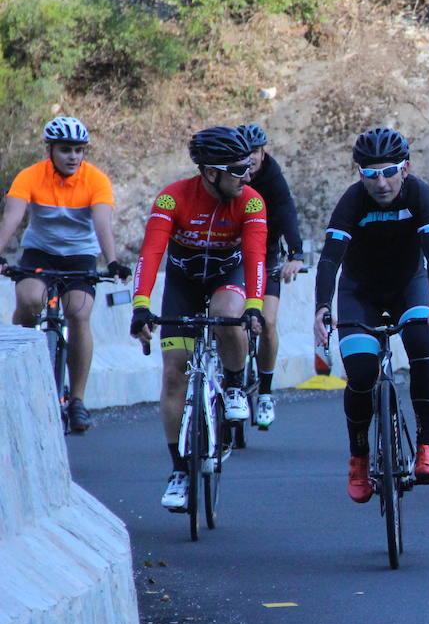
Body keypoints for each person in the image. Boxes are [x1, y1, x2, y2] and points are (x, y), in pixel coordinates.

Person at [130, 126, 266, 512]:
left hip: (229, 277)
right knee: (174, 373)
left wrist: (254, 306)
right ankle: (179, 470)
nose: (248, 173)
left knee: (227, 316)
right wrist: (141, 305)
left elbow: (256, 258)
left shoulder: (252, 202)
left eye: (248, 165)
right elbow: (151, 253)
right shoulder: (172, 199)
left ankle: (237, 385)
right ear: (210, 172)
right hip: (183, 284)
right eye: (238, 168)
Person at [311, 127, 429, 501]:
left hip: (409, 285)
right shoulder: (353, 202)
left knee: (421, 341)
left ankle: (426, 446)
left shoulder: (419, 194)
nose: (382, 182)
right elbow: (329, 260)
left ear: (405, 168)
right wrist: (322, 307)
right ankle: (358, 458)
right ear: (360, 174)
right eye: (371, 174)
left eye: (389, 171)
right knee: (360, 372)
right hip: (361, 292)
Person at [0, 116, 130, 432]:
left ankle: (78, 401)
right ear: (51, 150)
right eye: (65, 150)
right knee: (30, 301)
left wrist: (111, 261)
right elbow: (12, 216)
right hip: (40, 254)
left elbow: (102, 224)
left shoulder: (95, 180)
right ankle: (20, 362)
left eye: (79, 150)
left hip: (79, 257)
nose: (73, 156)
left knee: (79, 312)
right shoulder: (30, 176)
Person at [240, 123, 305, 428]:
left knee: (268, 322)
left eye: (254, 152)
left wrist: (296, 254)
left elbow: (287, 213)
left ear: (263, 152)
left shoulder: (272, 176)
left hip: (266, 253)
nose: (249, 158)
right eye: (244, 152)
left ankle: (265, 392)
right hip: (233, 253)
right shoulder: (228, 174)